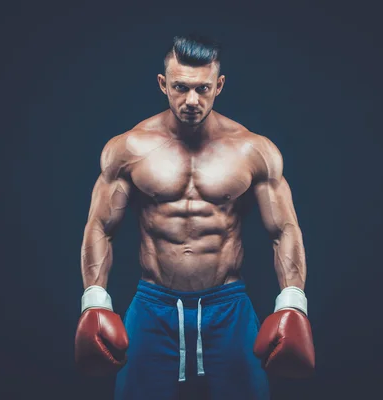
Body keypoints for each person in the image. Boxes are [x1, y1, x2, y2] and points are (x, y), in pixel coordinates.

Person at [74, 34, 315, 400]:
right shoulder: (129, 148)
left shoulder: (253, 150)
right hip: (153, 308)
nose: (191, 100)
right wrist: (94, 299)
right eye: (180, 87)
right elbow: (101, 226)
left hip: (228, 307)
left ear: (219, 85)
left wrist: (293, 302)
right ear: (163, 84)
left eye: (202, 88)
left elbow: (284, 229)